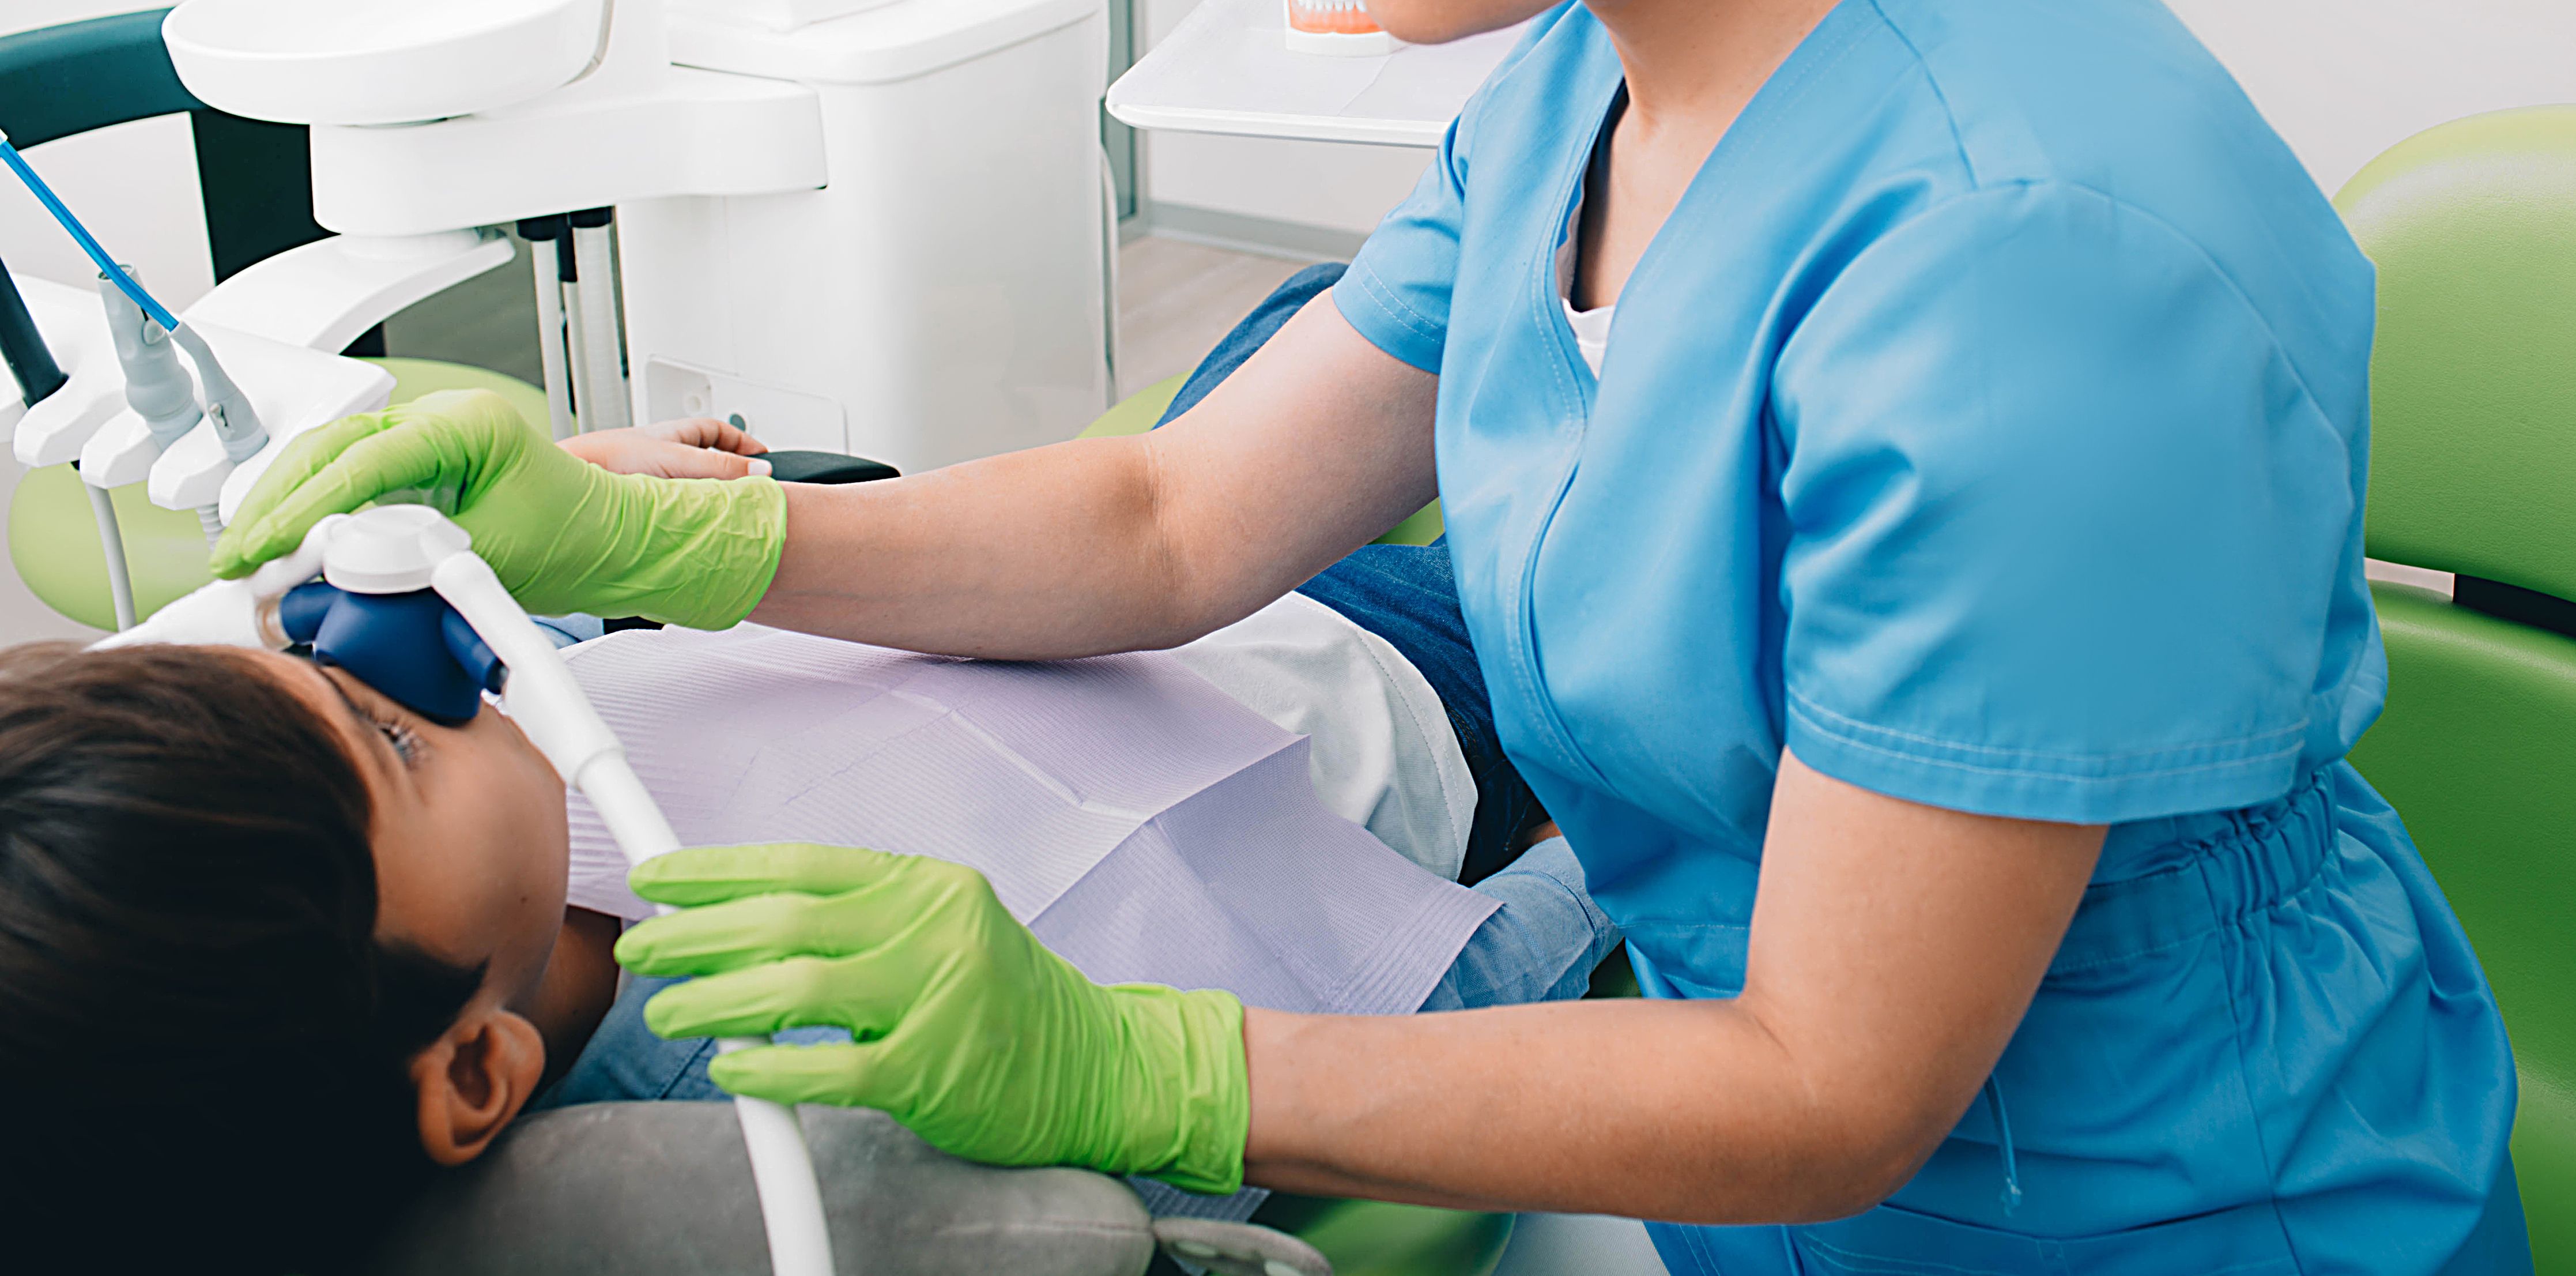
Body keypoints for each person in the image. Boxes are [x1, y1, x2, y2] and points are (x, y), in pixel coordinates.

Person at [215, 0, 2529, 1269]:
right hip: (1731, 1121)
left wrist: (1137, 1062)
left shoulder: (2028, 281)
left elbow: (1829, 1090)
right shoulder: (1605, 63)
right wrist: (683, 552)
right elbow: (1168, 521)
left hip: (2120, 1208)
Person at [0, 455, 1609, 1276]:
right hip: (1387, 688)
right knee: (1606, 414)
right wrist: (1606, 851)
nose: (410, 666)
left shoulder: (494, 815)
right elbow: (1395, 1032)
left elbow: (548, 594)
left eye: (300, 642)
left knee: (1355, 314)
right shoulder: (835, 1092)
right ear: (475, 1075)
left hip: (1108, 574)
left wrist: (614, 497)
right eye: (386, 734)